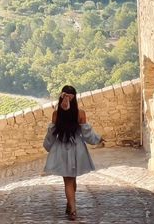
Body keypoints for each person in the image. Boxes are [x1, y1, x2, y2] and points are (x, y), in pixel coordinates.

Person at [43, 85, 103, 220]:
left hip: (61, 149)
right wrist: (98, 139)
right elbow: (87, 134)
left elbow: (51, 134)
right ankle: (72, 208)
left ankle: (71, 206)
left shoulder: (56, 114)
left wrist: (47, 146)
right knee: (72, 179)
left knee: (68, 181)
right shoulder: (80, 113)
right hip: (77, 149)